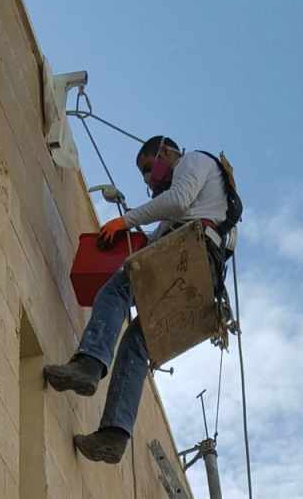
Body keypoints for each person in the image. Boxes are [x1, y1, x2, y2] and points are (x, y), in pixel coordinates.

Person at [43, 135, 234, 464]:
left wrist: (124, 221)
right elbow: (168, 223)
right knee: (137, 343)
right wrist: (133, 231)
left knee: (117, 289)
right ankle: (113, 436)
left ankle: (87, 364)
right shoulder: (213, 199)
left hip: (191, 250)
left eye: (149, 167)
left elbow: (178, 199)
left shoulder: (193, 161)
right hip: (203, 276)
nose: (149, 178)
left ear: (166, 151)